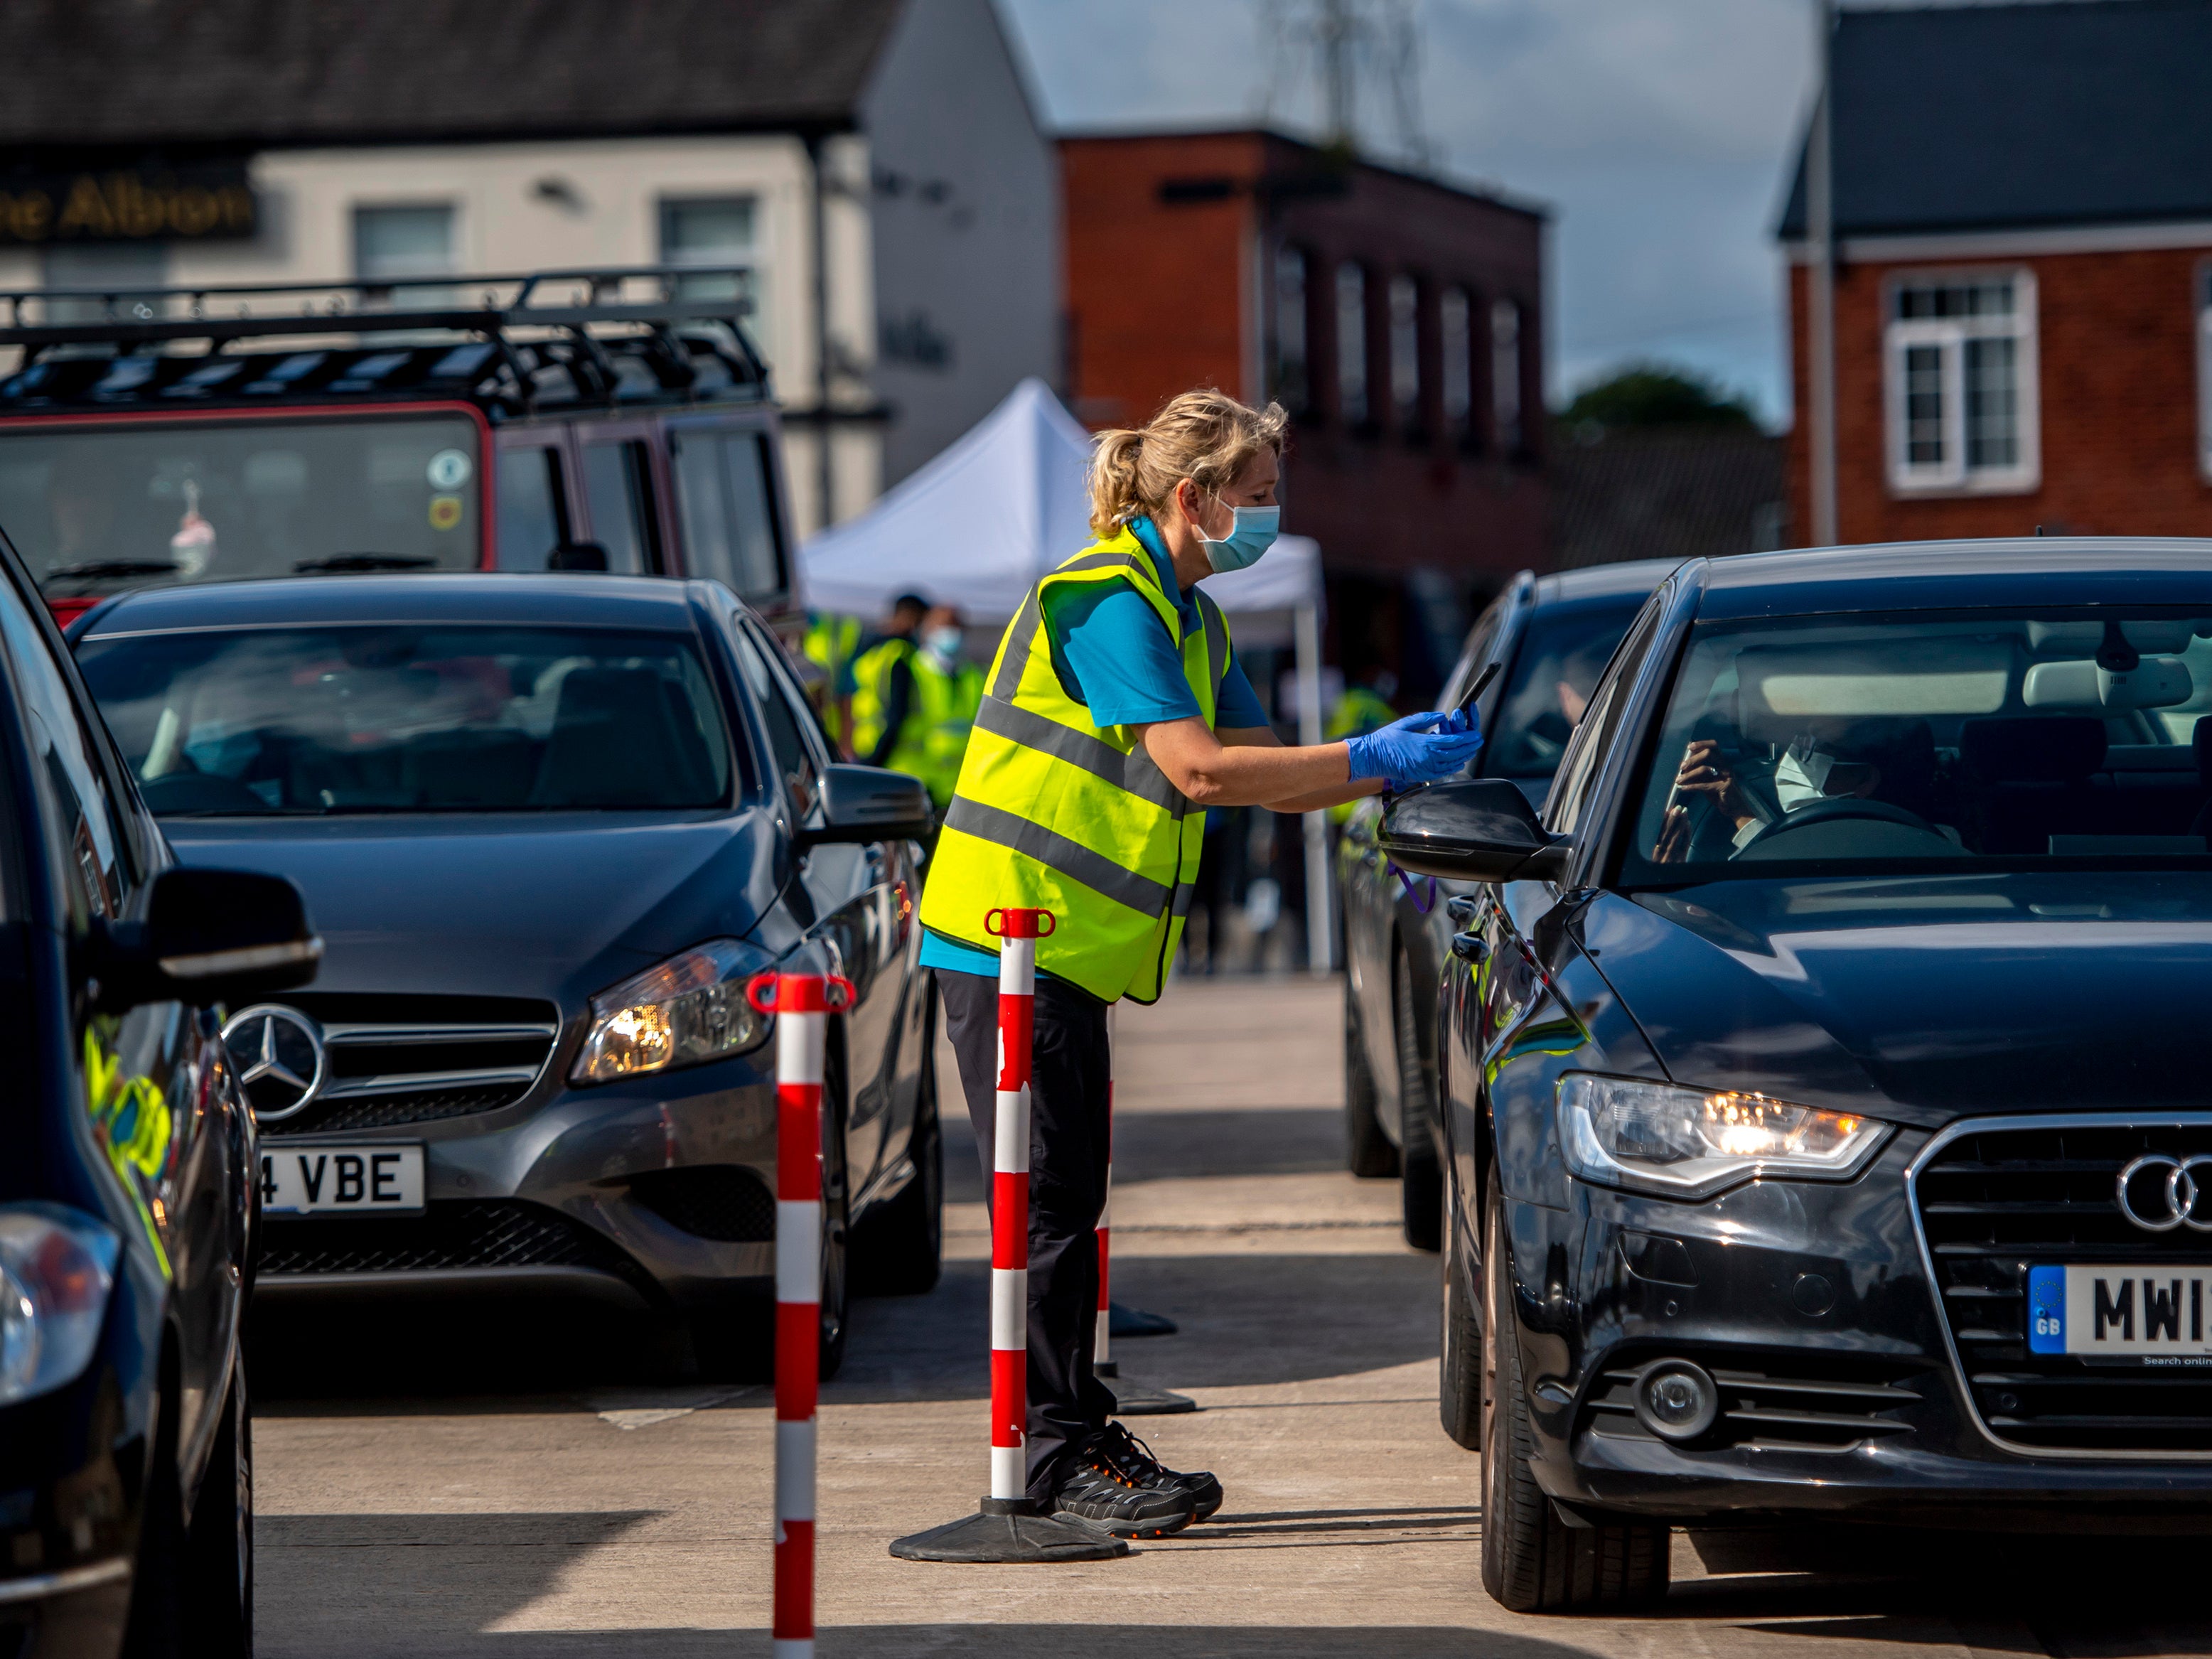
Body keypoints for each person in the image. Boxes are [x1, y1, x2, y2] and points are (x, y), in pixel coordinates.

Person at [916, 389, 1483, 1540]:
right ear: (1195, 497)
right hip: (1006, 940)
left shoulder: (1187, 615)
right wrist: (1371, 758)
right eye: (1261, 497)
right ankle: (1056, 1449)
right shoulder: (1106, 602)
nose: (1272, 519)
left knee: (1065, 1198)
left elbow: (1270, 762)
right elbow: (1203, 772)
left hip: (1063, 948)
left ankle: (1074, 1430)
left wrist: (1387, 776)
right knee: (1049, 1209)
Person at [911, 603, 983, 812]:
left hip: (962, 786)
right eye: (946, 626)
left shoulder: (974, 676)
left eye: (958, 627)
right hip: (923, 782)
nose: (953, 633)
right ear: (928, 630)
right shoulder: (914, 671)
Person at [849, 594, 929, 769]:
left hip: (865, 745)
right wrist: (877, 761)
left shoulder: (872, 650)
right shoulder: (900, 654)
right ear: (910, 617)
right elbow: (897, 715)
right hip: (891, 757)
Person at [801, 610, 862, 754]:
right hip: (815, 731)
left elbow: (847, 698)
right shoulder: (808, 616)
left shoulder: (846, 625)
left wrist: (846, 748)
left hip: (825, 736)